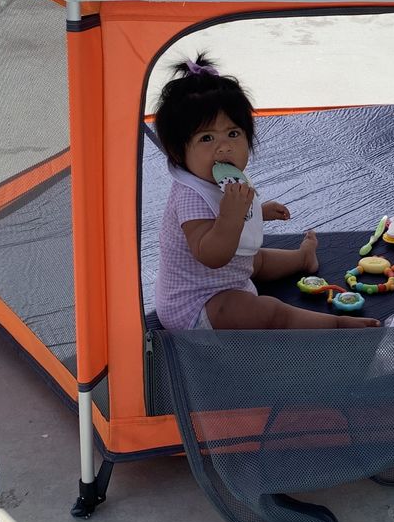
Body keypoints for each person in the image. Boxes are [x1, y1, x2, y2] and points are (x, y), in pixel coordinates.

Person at [153, 54, 379, 330]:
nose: (223, 147)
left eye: (233, 134)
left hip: (231, 276)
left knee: (255, 258)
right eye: (207, 138)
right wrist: (232, 217)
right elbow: (211, 256)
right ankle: (335, 325)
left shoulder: (224, 177)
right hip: (198, 307)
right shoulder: (191, 196)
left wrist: (258, 212)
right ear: (178, 152)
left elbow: (233, 228)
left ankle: (302, 258)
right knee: (268, 311)